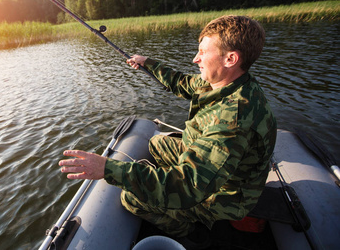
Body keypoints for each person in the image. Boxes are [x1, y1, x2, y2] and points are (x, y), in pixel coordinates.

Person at [59, 15, 277, 246]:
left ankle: (193, 234)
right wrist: (148, 63)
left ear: (230, 59)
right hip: (213, 166)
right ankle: (162, 183)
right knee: (156, 144)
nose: (196, 59)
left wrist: (107, 168)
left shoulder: (233, 117)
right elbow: (182, 83)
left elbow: (187, 186)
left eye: (203, 52)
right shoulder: (223, 81)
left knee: (132, 199)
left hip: (225, 195)